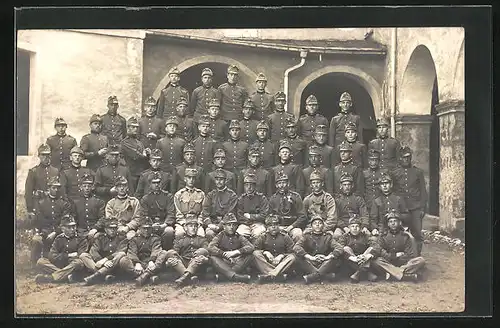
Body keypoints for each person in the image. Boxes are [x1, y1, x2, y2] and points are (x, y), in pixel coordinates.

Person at [392, 146, 428, 256]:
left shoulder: (417, 172)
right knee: (400, 232)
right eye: (403, 158)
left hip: (415, 207)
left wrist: (422, 208)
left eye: (408, 157)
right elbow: (393, 191)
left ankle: (416, 257)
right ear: (400, 159)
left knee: (417, 233)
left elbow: (423, 190)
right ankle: (403, 256)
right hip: (402, 208)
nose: (406, 160)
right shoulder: (395, 173)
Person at [371, 210, 426, 282]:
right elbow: (380, 251)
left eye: (395, 221)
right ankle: (405, 276)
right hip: (388, 261)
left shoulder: (406, 236)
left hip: (403, 263)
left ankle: (392, 273)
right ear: (388, 224)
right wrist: (394, 255)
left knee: (420, 260)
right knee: (376, 261)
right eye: (390, 222)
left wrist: (400, 259)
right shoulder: (383, 236)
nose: (393, 223)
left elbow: (409, 254)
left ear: (399, 223)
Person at [30, 176, 73, 267]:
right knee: (36, 240)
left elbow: (64, 221)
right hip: (45, 231)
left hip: (60, 231)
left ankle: (59, 265)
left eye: (58, 188)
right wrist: (44, 232)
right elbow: (40, 220)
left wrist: (55, 232)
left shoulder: (64, 204)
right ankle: (34, 266)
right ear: (48, 188)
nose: (56, 190)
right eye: (53, 187)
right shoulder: (41, 203)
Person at [34, 215, 88, 284]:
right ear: (62, 229)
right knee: (40, 261)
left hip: (72, 266)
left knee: (78, 262)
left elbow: (80, 255)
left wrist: (60, 256)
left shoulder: (81, 239)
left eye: (73, 226)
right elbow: (52, 256)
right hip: (62, 265)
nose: (72, 229)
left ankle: (51, 278)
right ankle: (66, 277)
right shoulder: (58, 238)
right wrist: (68, 255)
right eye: (69, 227)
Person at [293, 214, 344, 284]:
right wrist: (310, 257)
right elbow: (296, 247)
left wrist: (327, 257)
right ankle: (325, 276)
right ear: (311, 226)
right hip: (310, 262)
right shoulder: (306, 236)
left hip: (324, 263)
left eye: (320, 223)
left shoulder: (328, 237)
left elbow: (339, 248)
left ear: (323, 226)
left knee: (335, 257)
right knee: (297, 256)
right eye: (315, 223)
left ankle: (312, 277)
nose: (317, 225)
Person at [119, 218, 168, 287]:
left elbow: (156, 250)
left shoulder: (156, 238)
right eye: (144, 228)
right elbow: (132, 252)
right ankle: (149, 276)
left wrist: (151, 261)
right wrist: (137, 263)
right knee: (123, 260)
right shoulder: (135, 239)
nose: (146, 230)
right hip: (139, 264)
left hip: (151, 264)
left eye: (148, 228)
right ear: (139, 229)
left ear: (151, 229)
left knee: (163, 253)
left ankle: (145, 275)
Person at [164, 214, 210, 288]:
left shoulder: (202, 239)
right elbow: (175, 252)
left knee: (202, 251)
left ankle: (184, 277)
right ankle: (188, 276)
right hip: (183, 263)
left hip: (197, 263)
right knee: (170, 252)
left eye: (195, 226)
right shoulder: (180, 240)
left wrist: (205, 259)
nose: (193, 228)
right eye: (190, 226)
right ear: (185, 227)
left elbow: (207, 252)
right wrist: (169, 261)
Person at [207, 213, 254, 283]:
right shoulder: (220, 235)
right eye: (229, 225)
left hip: (236, 262)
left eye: (234, 225)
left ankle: (224, 276)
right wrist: (224, 254)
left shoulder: (238, 236)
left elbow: (251, 247)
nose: (231, 227)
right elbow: (211, 247)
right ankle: (236, 277)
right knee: (213, 258)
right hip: (224, 262)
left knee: (251, 256)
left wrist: (236, 252)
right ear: (224, 226)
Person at [80, 219, 128, 285]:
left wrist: (106, 259)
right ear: (105, 229)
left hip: (115, 265)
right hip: (102, 264)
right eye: (110, 228)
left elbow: (120, 251)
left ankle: (97, 276)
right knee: (84, 255)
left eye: (114, 228)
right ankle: (104, 275)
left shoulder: (121, 237)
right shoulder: (101, 238)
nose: (112, 230)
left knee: (121, 254)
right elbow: (93, 251)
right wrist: (101, 261)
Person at [252, 215, 296, 284]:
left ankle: (270, 275)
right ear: (267, 227)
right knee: (255, 253)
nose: (273, 227)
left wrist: (282, 255)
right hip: (267, 263)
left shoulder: (285, 236)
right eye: (270, 225)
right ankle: (278, 275)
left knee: (293, 257)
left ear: (279, 225)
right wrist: (265, 252)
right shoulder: (263, 236)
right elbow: (254, 249)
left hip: (281, 264)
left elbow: (293, 251)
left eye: (275, 224)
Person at [139, 171, 176, 251]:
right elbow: (143, 215)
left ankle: (166, 251)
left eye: (158, 182)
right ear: (150, 184)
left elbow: (171, 213)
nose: (156, 185)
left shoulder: (168, 197)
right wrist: (151, 225)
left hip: (164, 224)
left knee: (169, 231)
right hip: (150, 225)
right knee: (140, 233)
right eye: (154, 183)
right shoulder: (145, 199)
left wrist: (165, 224)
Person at [337, 214, 379, 283]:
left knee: (371, 248)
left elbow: (376, 246)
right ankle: (367, 273)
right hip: (350, 261)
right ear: (349, 228)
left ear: (360, 228)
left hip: (364, 258)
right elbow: (339, 248)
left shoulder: (365, 236)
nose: (355, 228)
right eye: (352, 226)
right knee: (346, 248)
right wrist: (352, 258)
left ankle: (358, 273)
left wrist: (366, 256)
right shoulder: (344, 237)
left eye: (357, 226)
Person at [268, 171, 306, 242]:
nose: (282, 185)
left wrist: (291, 226)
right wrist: (277, 227)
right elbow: (269, 216)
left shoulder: (296, 196)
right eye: (279, 183)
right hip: (278, 226)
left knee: (298, 234)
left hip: (292, 226)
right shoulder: (273, 198)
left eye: (284, 183)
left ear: (288, 184)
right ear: (276, 185)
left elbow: (303, 216)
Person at [201, 169, 239, 241]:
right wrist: (209, 224)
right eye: (217, 179)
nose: (219, 181)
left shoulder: (232, 195)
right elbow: (205, 212)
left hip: (227, 224)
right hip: (213, 223)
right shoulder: (210, 195)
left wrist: (220, 226)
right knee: (209, 233)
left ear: (225, 181)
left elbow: (231, 213)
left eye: (221, 179)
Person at [24, 144, 61, 215]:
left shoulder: (55, 171)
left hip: (53, 203)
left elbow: (59, 190)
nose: (45, 157)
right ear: (39, 156)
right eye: (43, 155)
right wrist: (30, 209)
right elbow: (28, 192)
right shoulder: (33, 171)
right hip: (38, 204)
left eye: (48, 155)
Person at [104, 176, 142, 241]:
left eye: (124, 186)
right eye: (119, 186)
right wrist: (119, 227)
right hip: (115, 229)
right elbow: (110, 219)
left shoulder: (134, 201)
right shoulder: (111, 203)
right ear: (116, 188)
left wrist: (127, 227)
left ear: (127, 187)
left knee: (131, 237)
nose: (122, 188)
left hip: (130, 229)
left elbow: (137, 218)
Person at [72, 174, 106, 245]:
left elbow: (102, 218)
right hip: (80, 231)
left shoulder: (99, 201)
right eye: (84, 186)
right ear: (81, 187)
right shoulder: (76, 202)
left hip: (94, 231)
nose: (87, 188)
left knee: (97, 238)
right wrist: (75, 230)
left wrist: (95, 229)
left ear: (92, 187)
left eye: (89, 186)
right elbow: (73, 218)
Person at [334, 173, 370, 238]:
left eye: (349, 184)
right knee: (336, 235)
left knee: (368, 235)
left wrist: (364, 226)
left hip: (358, 225)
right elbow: (336, 217)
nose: (347, 187)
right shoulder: (337, 200)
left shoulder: (358, 198)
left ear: (352, 185)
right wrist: (344, 227)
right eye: (344, 185)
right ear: (341, 186)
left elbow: (364, 214)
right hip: (343, 226)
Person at [302, 169, 338, 236]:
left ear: (322, 183)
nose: (316, 185)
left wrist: (321, 228)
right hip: (310, 228)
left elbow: (332, 219)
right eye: (313, 183)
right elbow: (303, 218)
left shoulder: (328, 198)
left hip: (325, 228)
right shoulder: (307, 199)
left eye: (318, 182)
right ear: (311, 185)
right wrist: (313, 228)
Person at [235, 173, 269, 242]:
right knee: (239, 233)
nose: (249, 187)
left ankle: (256, 250)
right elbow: (239, 215)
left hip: (258, 224)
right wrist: (248, 221)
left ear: (255, 186)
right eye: (246, 185)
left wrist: (250, 216)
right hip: (245, 224)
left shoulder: (261, 198)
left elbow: (264, 215)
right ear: (244, 186)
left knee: (260, 233)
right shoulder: (241, 199)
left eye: (251, 185)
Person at [173, 168, 206, 238]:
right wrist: (184, 224)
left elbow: (203, 212)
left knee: (201, 234)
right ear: (185, 179)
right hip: (183, 222)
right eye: (189, 178)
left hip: (196, 222)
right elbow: (178, 212)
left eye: (193, 178)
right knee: (179, 233)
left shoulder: (201, 194)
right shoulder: (179, 194)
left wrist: (198, 223)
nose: (191, 180)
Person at [120, 116, 149, 192]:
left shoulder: (139, 143)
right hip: (131, 174)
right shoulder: (125, 142)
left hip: (140, 173)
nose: (135, 129)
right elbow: (135, 155)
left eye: (136, 127)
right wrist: (144, 155)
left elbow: (144, 157)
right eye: (133, 127)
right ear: (128, 128)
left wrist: (148, 154)